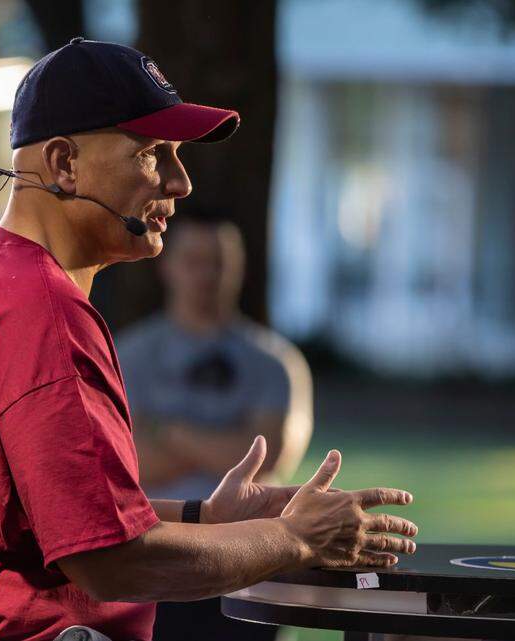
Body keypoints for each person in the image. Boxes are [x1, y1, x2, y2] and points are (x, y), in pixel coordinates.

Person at [0, 38, 417, 641]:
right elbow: (111, 561)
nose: (181, 183)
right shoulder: (43, 312)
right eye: (155, 154)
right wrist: (294, 538)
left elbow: (42, 514)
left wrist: (205, 518)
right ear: (63, 165)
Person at [117, 212, 313, 640]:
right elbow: (123, 467)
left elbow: (266, 460)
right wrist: (227, 443)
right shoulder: (125, 356)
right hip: (153, 560)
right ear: (167, 265)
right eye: (194, 260)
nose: (207, 275)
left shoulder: (275, 362)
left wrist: (161, 430)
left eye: (220, 262)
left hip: (246, 564)